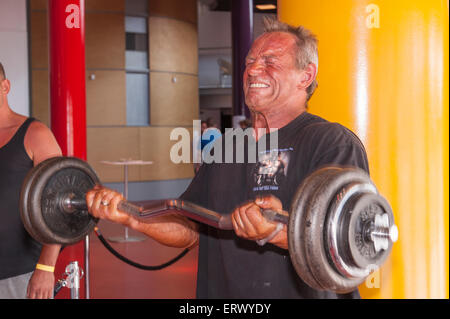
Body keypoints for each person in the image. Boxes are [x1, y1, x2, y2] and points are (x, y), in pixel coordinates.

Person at [86, 18, 369, 298]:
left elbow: (347, 242)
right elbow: (192, 228)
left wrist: (275, 232)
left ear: (305, 76)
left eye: (270, 61)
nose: (253, 69)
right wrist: (131, 216)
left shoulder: (331, 143)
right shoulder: (226, 149)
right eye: (249, 62)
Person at [0, 62, 62, 299]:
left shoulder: (35, 134)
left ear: (5, 86)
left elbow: (58, 205)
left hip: (19, 272)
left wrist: (46, 268)